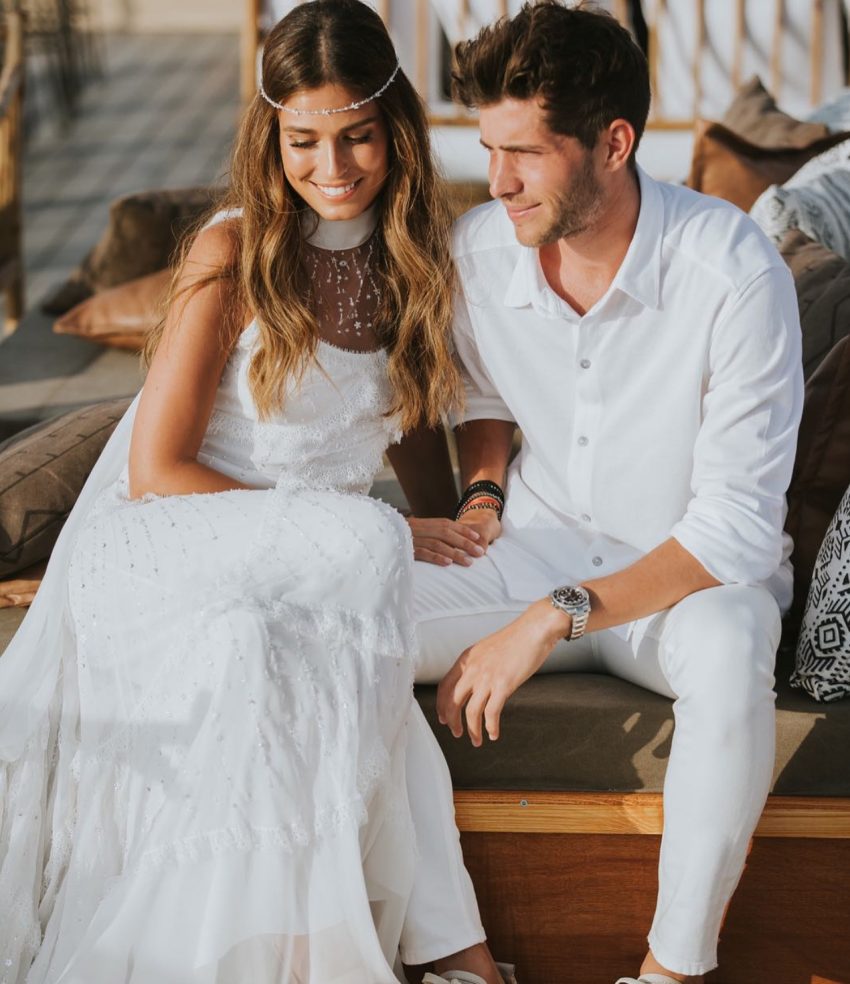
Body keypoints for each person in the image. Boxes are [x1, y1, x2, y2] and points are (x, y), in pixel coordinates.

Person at [0, 3, 512, 982]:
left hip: (313, 561)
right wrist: (372, 530)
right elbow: (157, 471)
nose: (332, 165)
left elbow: (409, 417)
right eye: (303, 140)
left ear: (394, 130)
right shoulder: (232, 252)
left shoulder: (413, 254)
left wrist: (444, 518)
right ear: (270, 138)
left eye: (357, 135)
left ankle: (412, 956)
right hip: (173, 537)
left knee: (320, 644)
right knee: (317, 592)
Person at [408, 3, 804, 983]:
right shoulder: (478, 250)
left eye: (524, 154)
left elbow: (735, 533)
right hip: (529, 550)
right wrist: (483, 496)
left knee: (733, 646)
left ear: (614, 144)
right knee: (342, 623)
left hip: (682, 584)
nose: (497, 180)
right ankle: (460, 959)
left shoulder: (731, 269)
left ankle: (671, 973)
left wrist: (551, 617)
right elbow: (484, 395)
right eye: (488, 149)